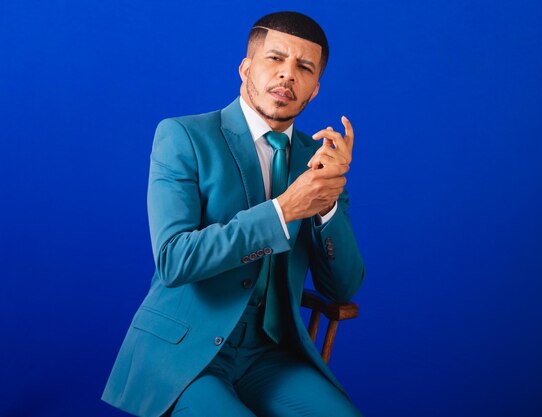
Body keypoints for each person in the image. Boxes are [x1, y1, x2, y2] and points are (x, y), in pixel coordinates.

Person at [102, 11, 365, 417]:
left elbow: (343, 288)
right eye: (274, 59)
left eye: (304, 67)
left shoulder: (319, 161)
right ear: (246, 68)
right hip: (186, 352)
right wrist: (283, 210)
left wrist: (328, 204)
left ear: (314, 90)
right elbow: (174, 259)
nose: (287, 76)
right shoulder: (184, 136)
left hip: (271, 353)